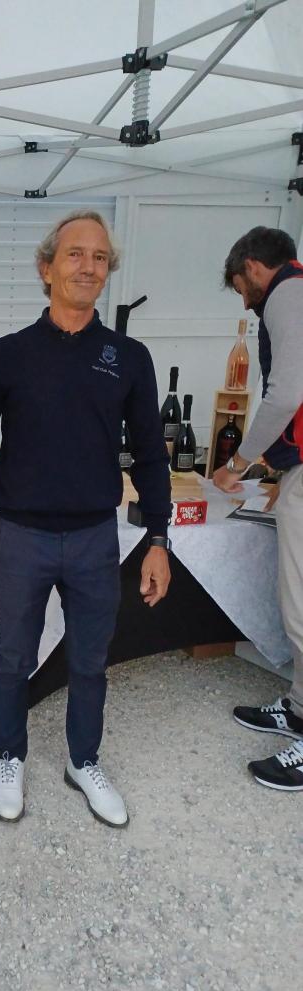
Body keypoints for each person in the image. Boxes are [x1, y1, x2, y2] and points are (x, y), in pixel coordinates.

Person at [0, 210, 171, 827]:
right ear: (47, 267)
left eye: (99, 257)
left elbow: (149, 453)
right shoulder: (11, 353)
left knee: (89, 659)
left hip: (95, 538)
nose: (89, 266)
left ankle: (83, 761)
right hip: (22, 537)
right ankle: (10, 756)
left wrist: (158, 538)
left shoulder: (128, 357)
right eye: (75, 254)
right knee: (14, 656)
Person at [213, 226, 303, 791]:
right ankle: (298, 708)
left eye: (239, 286)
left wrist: (241, 462)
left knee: (302, 607)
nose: (244, 299)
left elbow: (287, 391)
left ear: (251, 266)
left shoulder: (288, 292)